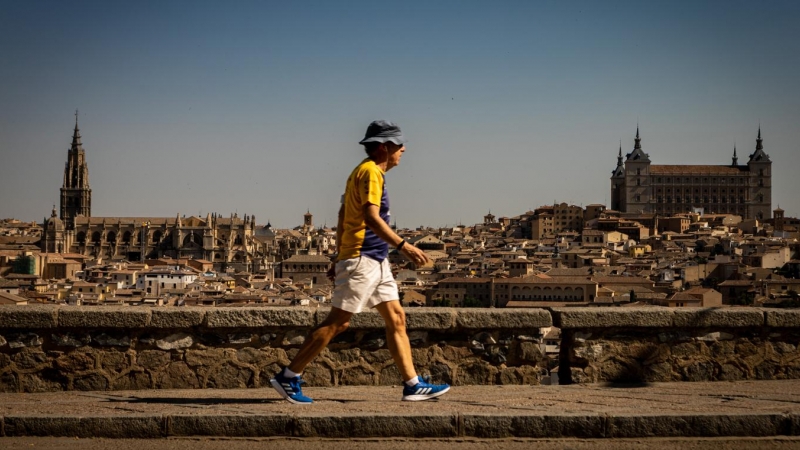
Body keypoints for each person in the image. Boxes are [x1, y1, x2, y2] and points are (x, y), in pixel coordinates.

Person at [270, 120, 450, 404]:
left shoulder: (363, 172)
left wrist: (338, 255)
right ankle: (289, 376)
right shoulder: (370, 174)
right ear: (382, 147)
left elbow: (343, 216)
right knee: (338, 323)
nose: (403, 149)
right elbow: (371, 218)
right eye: (397, 145)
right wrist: (404, 246)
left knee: (397, 318)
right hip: (363, 258)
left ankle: (413, 384)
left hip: (375, 261)